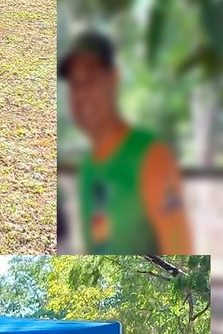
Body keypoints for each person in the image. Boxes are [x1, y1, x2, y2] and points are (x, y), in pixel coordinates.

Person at [58, 32, 192, 254]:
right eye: (75, 85)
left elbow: (180, 250)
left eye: (90, 80)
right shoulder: (89, 166)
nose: (81, 95)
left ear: (114, 79)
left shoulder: (151, 156)